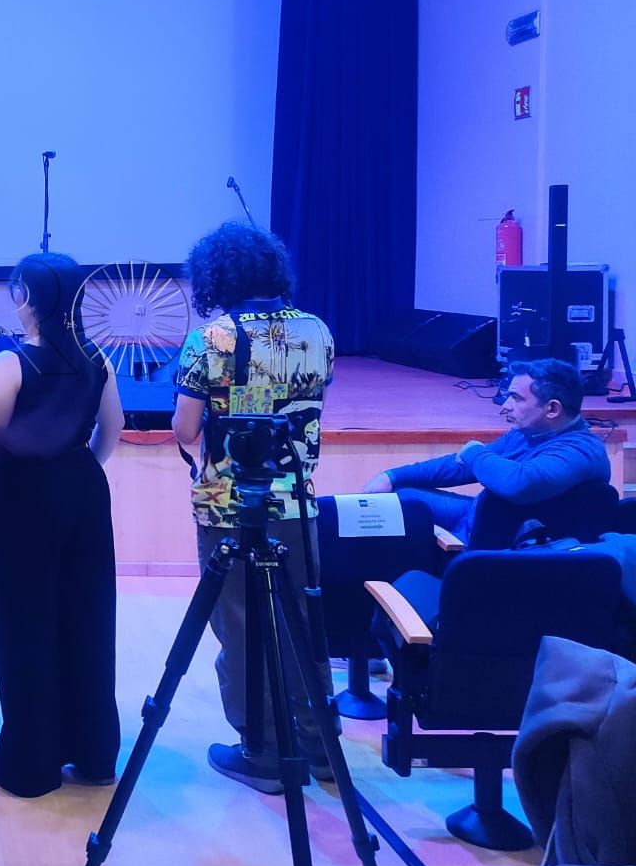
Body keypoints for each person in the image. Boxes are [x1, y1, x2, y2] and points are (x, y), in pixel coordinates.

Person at [170, 222, 335, 793]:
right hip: (298, 501)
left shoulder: (212, 339)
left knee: (242, 629)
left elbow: (186, 428)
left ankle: (261, 749)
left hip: (230, 508)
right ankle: (319, 746)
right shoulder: (317, 329)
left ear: (215, 276)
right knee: (303, 624)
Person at [0, 252, 124, 798]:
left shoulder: (10, 363)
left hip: (20, 496)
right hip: (84, 492)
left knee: (23, 621)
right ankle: (94, 754)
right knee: (88, 616)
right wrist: (78, 468)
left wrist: (20, 467)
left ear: (30, 300)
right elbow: (112, 428)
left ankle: (29, 762)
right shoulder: (97, 359)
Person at [363, 358, 608, 542]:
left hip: (506, 550)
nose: (505, 407)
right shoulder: (526, 433)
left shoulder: (581, 450)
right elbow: (461, 466)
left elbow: (520, 483)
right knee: (394, 498)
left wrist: (475, 452)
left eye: (516, 398)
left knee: (398, 516)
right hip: (477, 515)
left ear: (552, 409)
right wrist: (392, 476)